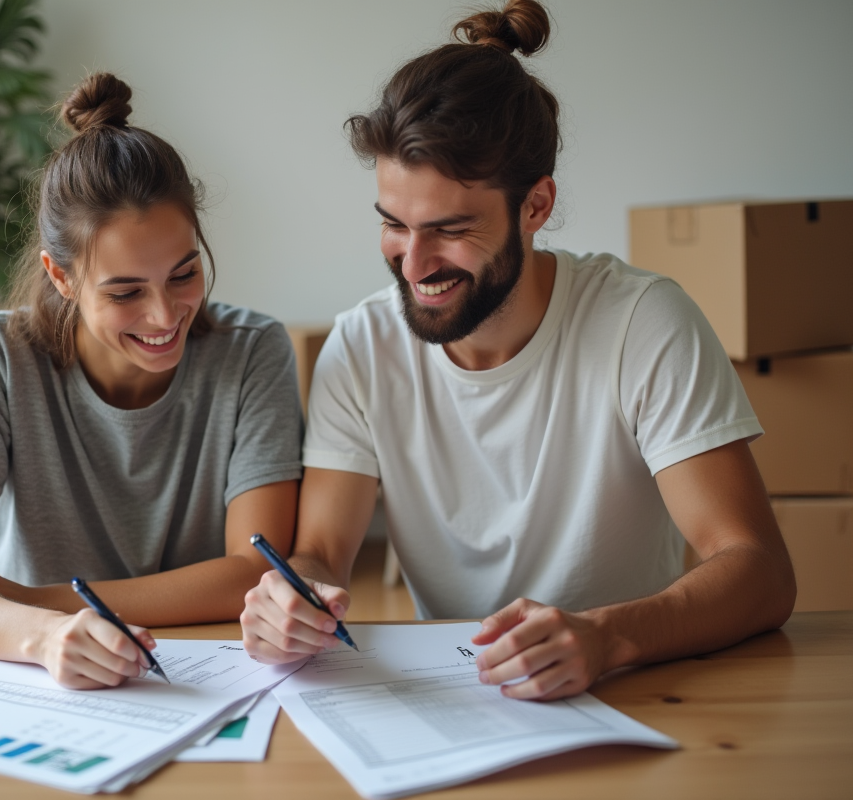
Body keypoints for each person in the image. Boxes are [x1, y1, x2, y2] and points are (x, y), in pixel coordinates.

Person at [240, 0, 795, 701]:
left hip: (636, 689)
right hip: (455, 703)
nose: (413, 264)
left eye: (448, 229)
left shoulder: (643, 323)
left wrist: (607, 636)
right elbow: (321, 551)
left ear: (535, 206)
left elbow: (759, 569)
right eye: (393, 224)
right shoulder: (361, 344)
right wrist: (293, 597)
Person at [0, 73, 303, 690]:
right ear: (60, 278)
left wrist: (57, 603)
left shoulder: (253, 353)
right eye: (125, 292)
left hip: (200, 668)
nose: (165, 316)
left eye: (184, 273)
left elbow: (254, 572)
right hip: (30, 664)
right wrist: (41, 635)